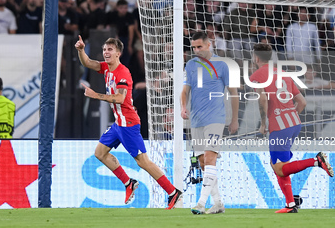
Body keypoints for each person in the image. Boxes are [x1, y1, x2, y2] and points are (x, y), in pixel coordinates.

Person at [75, 35, 182, 209]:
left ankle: (172, 192)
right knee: (100, 153)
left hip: (129, 124)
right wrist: (80, 50)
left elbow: (119, 98)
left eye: (110, 49)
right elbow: (87, 62)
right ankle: (128, 183)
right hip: (118, 124)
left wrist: (96, 95)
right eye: (104, 49)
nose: (106, 52)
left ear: (118, 53)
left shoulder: (122, 72)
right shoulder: (106, 68)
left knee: (143, 162)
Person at [249, 43, 334, 213]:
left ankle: (316, 161)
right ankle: (290, 205)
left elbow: (263, 100)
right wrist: (289, 117)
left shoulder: (257, 76)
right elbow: (302, 102)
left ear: (256, 58)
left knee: (280, 168)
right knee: (277, 164)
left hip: (279, 128)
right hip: (294, 124)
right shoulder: (285, 74)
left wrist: (264, 124)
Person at [181, 32, 239, 214]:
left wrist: (235, 118)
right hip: (196, 120)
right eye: (194, 48)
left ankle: (201, 203)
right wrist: (183, 107)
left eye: (199, 46)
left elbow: (234, 92)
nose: (197, 50)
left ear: (208, 45)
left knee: (210, 158)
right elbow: (185, 90)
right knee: (203, 163)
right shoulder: (190, 65)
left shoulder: (223, 64)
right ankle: (218, 203)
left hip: (216, 118)